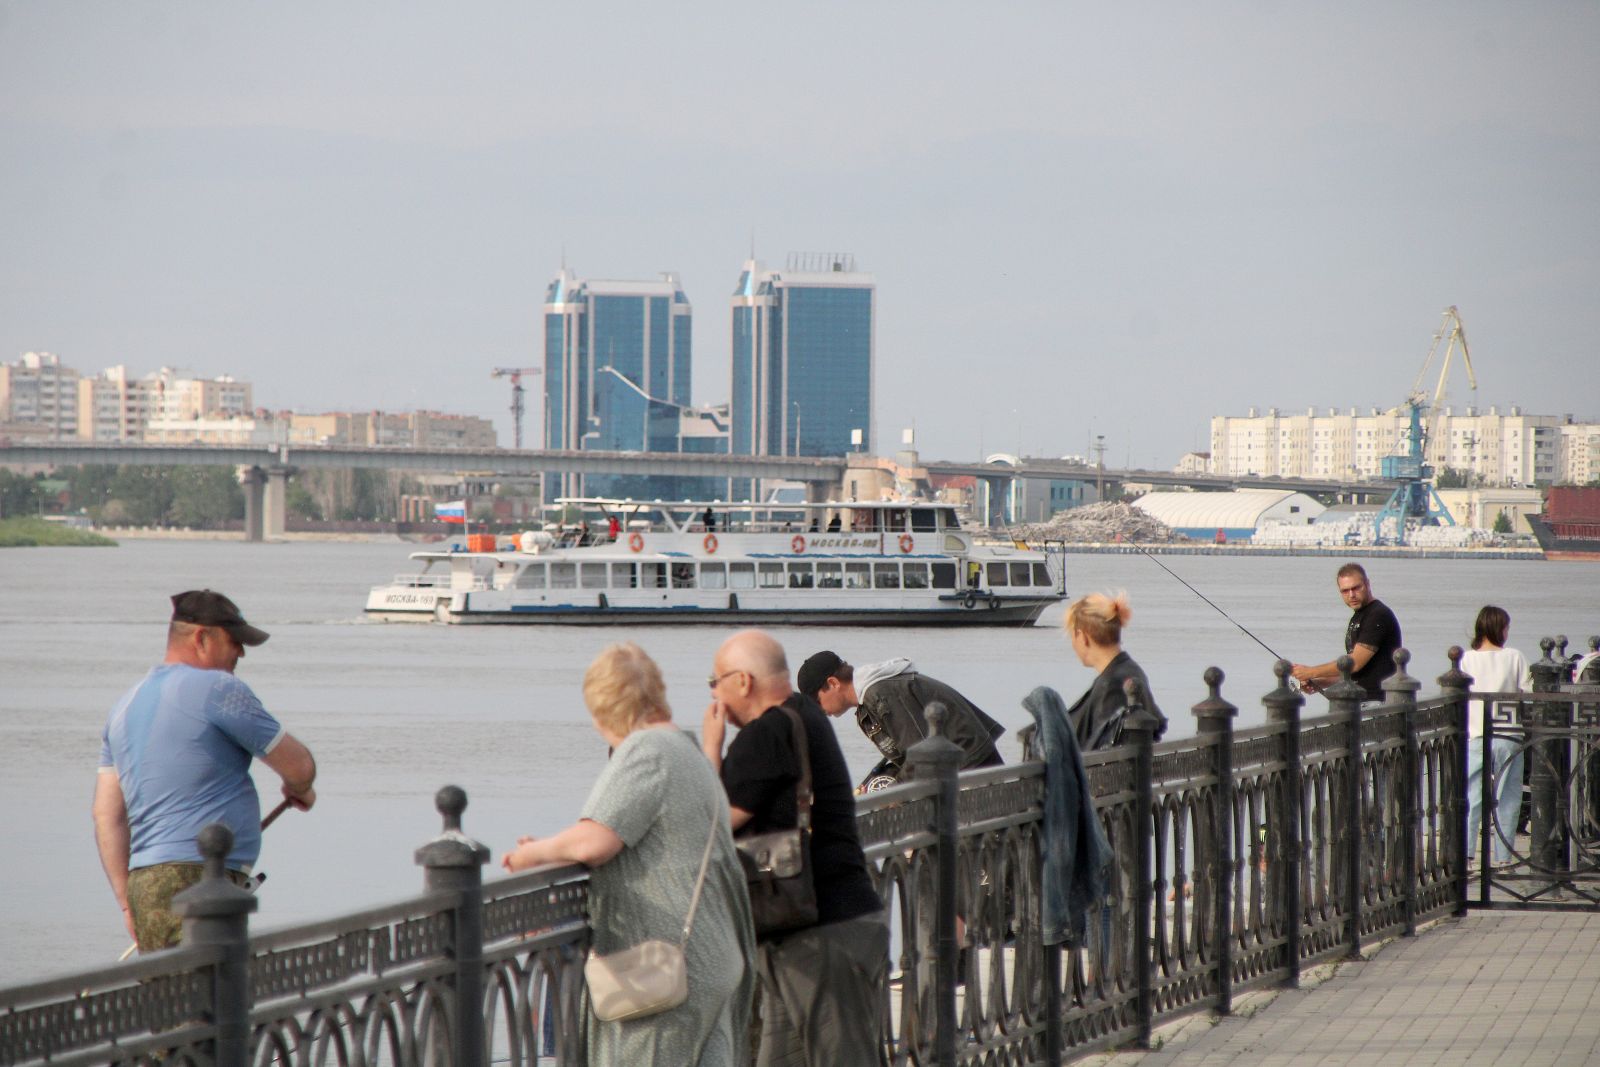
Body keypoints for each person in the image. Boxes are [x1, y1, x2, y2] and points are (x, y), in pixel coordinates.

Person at [503, 643, 755, 1066]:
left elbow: (595, 841)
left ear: (601, 708)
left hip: (666, 974)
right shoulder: (687, 749)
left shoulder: (646, 751)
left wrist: (531, 854)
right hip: (714, 957)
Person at [93, 591, 317, 952]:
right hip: (200, 880)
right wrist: (300, 788)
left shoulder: (123, 706)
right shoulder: (218, 688)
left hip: (145, 884)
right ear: (201, 638)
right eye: (235, 641)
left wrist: (126, 902)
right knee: (215, 997)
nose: (241, 653)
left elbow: (106, 816)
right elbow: (300, 766)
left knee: (171, 1000)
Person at [701, 630, 886, 1067]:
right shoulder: (805, 713)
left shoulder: (765, 734)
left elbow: (711, 824)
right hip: (829, 923)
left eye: (717, 680)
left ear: (742, 681)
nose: (715, 692)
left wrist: (711, 747)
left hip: (820, 934)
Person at [797, 650, 1004, 791]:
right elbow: (910, 756)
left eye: (817, 702)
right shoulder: (869, 700)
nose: (820, 711)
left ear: (833, 684)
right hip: (963, 770)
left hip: (971, 771)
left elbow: (923, 752)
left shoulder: (880, 694)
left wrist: (893, 792)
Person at [1460, 606, 1531, 866]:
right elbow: (1529, 691)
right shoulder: (1515, 657)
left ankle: (1467, 854)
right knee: (1508, 798)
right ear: (1500, 629)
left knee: (1472, 798)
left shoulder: (1466, 659)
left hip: (1477, 734)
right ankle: (1503, 858)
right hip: (1508, 733)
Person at [1062, 592, 1167, 749]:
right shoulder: (1132, 671)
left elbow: (1104, 755)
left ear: (1081, 636)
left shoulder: (1111, 685)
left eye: (1071, 636)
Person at [1291, 563, 1402, 705]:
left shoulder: (1378, 615)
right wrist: (1320, 682)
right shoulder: (1359, 616)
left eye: (1356, 588)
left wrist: (1310, 672)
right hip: (1360, 701)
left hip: (1377, 702)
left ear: (1367, 584)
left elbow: (1354, 663)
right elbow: (1355, 673)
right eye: (1345, 591)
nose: (1351, 595)